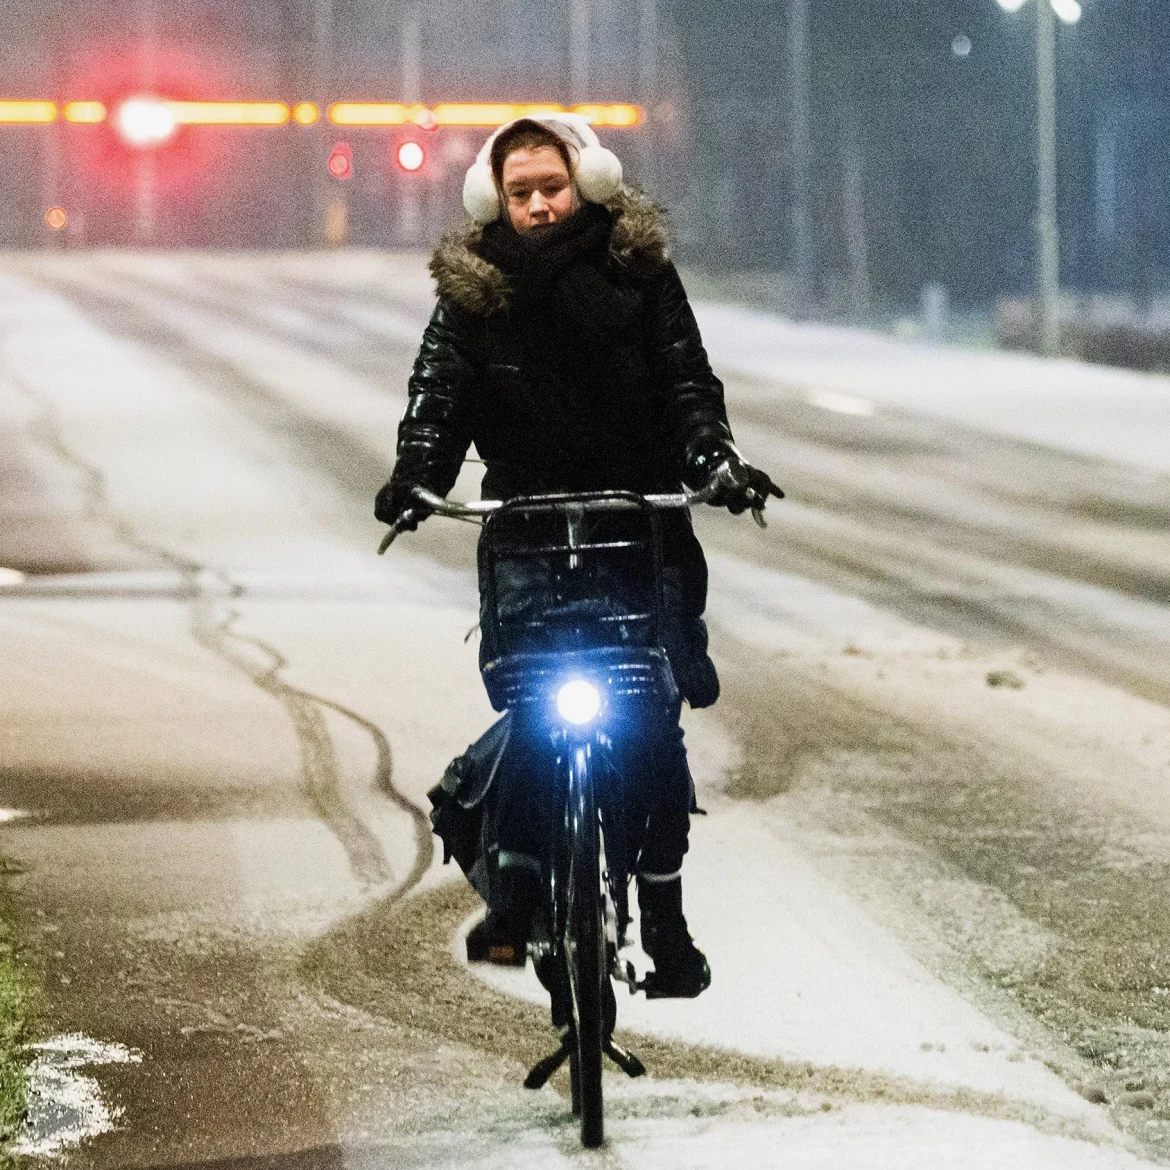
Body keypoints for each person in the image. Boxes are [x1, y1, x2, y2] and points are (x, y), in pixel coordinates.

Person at [375, 113, 782, 998]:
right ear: (497, 200)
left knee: (649, 729)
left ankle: (665, 924)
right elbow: (439, 397)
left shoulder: (640, 274)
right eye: (519, 192)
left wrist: (715, 461)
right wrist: (415, 474)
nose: (537, 205)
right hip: (528, 535)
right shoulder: (473, 291)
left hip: (637, 527)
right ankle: (516, 903)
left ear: (588, 182)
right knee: (534, 714)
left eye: (551, 187)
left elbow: (687, 385)